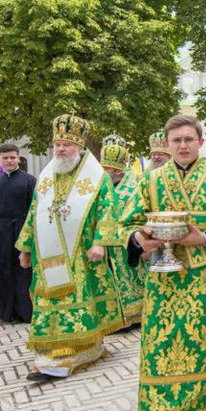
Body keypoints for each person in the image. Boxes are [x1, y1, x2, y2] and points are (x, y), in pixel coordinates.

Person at [119, 114, 206, 410]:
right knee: (164, 349)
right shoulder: (150, 180)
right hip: (164, 282)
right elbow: (124, 223)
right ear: (167, 143)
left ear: (201, 142)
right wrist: (139, 239)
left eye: (188, 140)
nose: (183, 146)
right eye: (177, 140)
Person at [16, 114, 124, 380]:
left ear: (79, 147)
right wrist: (25, 248)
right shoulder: (46, 176)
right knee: (47, 300)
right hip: (47, 257)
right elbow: (34, 212)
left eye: (66, 145)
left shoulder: (96, 177)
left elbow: (109, 212)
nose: (61, 150)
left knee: (78, 303)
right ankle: (48, 354)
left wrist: (100, 243)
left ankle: (80, 351)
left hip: (81, 254)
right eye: (57, 145)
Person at [99, 135, 143, 327]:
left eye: (106, 169)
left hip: (125, 243)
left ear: (117, 171)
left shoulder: (134, 188)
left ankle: (133, 318)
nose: (103, 173)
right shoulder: (101, 188)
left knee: (130, 280)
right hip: (105, 244)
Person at [0, 143, 35, 323]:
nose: (9, 161)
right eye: (5, 158)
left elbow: (33, 210)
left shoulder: (29, 180)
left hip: (22, 230)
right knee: (4, 270)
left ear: (18, 158)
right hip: (1, 232)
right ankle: (6, 312)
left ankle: (24, 312)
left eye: (12, 157)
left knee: (23, 271)